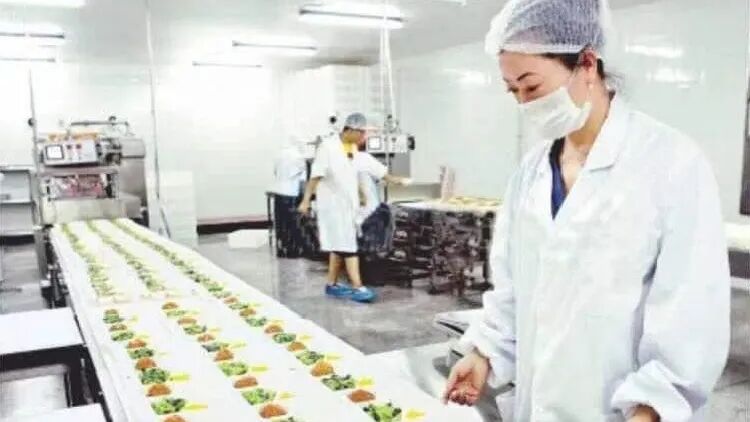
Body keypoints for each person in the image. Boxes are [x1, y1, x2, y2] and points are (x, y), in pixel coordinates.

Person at [443, 1, 730, 421]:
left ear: (588, 64)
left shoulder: (670, 163)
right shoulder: (531, 172)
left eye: (531, 86)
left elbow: (692, 312)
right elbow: (513, 290)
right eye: (512, 91)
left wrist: (652, 406)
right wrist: (484, 353)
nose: (523, 103)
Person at [297, 113, 381, 303]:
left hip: (347, 205)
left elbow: (352, 175)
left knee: (338, 245)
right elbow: (316, 176)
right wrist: (306, 200)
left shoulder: (351, 147)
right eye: (360, 133)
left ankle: (332, 284)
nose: (362, 137)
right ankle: (358, 287)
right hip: (333, 206)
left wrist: (360, 194)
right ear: (349, 129)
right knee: (348, 247)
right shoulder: (327, 147)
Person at [271, 136, 308, 258]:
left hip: (278, 192)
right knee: (293, 224)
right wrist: (306, 197)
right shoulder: (299, 157)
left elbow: (275, 172)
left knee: (281, 223)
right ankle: (293, 251)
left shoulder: (279, 154)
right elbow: (302, 181)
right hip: (291, 193)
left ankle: (281, 249)